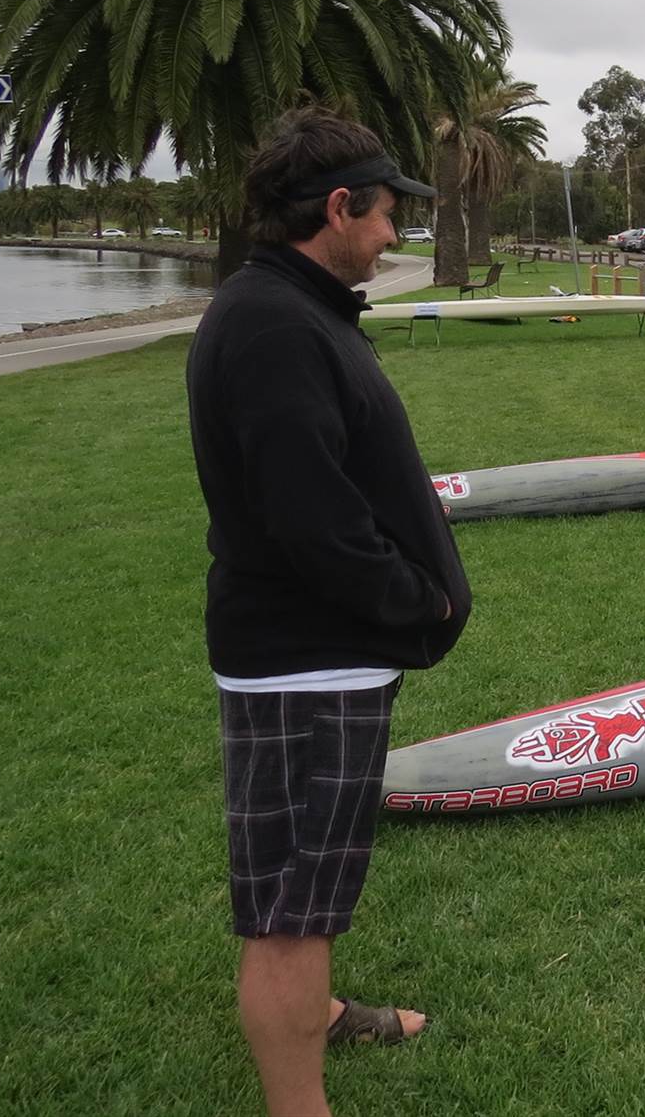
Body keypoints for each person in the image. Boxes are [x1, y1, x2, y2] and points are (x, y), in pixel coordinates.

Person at [186, 107, 473, 1117]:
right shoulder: (272, 324)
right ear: (339, 207)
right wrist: (416, 599)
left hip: (324, 654)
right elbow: (310, 519)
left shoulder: (293, 306)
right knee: (288, 910)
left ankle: (324, 1008)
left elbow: (330, 473)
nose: (394, 236)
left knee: (312, 883)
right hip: (305, 662)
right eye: (387, 215)